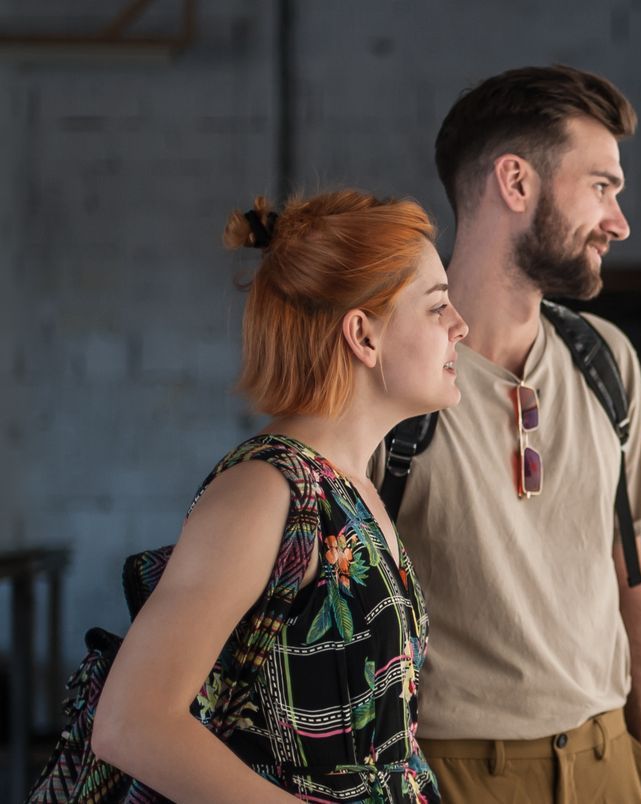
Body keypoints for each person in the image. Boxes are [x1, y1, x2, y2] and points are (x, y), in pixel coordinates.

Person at [90, 191, 466, 802]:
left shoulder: (357, 487)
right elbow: (131, 724)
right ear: (363, 337)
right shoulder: (263, 493)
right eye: (437, 307)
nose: (460, 326)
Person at [380, 65, 641, 801]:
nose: (619, 221)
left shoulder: (606, 359)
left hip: (611, 759)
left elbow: (628, 575)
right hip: (456, 773)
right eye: (601, 186)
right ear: (516, 183)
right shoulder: (389, 369)